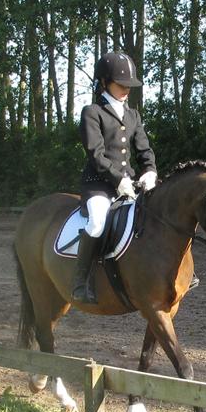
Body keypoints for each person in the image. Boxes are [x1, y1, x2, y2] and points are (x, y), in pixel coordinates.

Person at [72, 51, 158, 304]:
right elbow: (95, 154)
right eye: (121, 85)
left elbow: (144, 150)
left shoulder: (133, 116)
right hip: (99, 185)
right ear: (104, 82)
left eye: (129, 86)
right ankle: (80, 281)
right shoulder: (92, 112)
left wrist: (150, 171)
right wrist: (117, 179)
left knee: (159, 212)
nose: (126, 90)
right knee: (97, 222)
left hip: (129, 184)